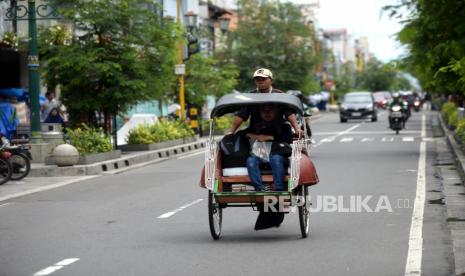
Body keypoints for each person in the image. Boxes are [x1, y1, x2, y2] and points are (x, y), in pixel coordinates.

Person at [227, 68, 304, 138]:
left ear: (271, 80)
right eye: (257, 79)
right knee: (235, 140)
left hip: (277, 131)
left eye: (263, 79)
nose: (260, 81)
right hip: (256, 132)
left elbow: (289, 113)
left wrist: (297, 129)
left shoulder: (279, 95)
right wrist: (231, 132)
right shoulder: (250, 96)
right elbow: (240, 115)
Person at [244, 105, 293, 191]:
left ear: (276, 111)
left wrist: (270, 137)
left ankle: (279, 189)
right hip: (260, 155)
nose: (267, 113)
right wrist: (254, 136)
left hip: (279, 156)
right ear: (260, 113)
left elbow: (288, 139)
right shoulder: (256, 126)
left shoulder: (285, 126)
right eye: (264, 111)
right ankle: (259, 188)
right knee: (250, 160)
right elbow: (245, 134)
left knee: (275, 158)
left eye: (270, 110)